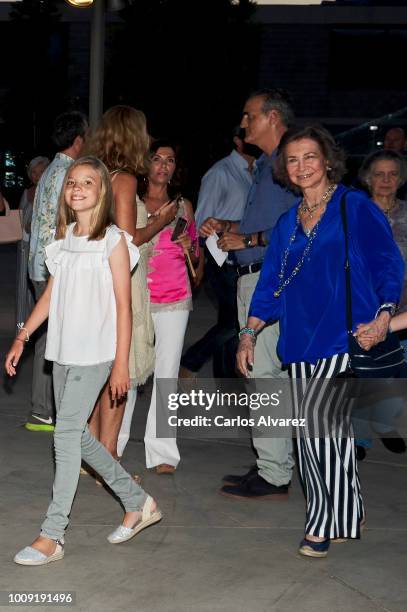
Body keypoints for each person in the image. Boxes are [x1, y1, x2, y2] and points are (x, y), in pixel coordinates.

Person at [236, 125, 404, 557]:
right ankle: (349, 509)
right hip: (298, 339)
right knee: (326, 429)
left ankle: (321, 522)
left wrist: (386, 313)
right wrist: (249, 332)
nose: (301, 166)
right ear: (285, 170)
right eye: (292, 160)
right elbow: (270, 282)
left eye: (309, 157)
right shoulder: (287, 222)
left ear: (327, 160)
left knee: (315, 427)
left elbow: (387, 262)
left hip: (344, 336)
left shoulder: (354, 206)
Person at [5, 156, 162, 566]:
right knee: (75, 435)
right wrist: (22, 336)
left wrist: (122, 364)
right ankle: (138, 501)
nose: (77, 188)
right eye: (72, 182)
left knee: (65, 437)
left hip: (97, 352)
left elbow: (124, 308)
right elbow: (50, 296)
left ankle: (53, 534)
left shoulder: (113, 242)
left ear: (102, 192)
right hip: (61, 351)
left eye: (87, 182)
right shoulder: (65, 240)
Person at [200, 88, 297, 500]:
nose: (244, 123)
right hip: (254, 277)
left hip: (273, 280)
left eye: (249, 115)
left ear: (272, 117)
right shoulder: (265, 167)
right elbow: (268, 221)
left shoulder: (293, 163)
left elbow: (309, 224)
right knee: (263, 374)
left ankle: (276, 474)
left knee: (267, 374)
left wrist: (251, 237)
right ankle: (272, 467)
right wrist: (228, 225)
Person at [84, 106, 178, 464]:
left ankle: (91, 457)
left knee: (96, 372)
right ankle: (107, 457)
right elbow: (127, 240)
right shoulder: (123, 179)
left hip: (93, 284)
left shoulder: (91, 174)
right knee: (120, 371)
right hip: (121, 283)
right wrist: (162, 220)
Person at [140, 138, 199, 474]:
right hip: (137, 294)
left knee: (166, 373)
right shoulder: (130, 199)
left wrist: (191, 247)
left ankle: (162, 453)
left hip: (175, 295)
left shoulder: (183, 207)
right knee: (132, 370)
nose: (164, 165)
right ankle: (113, 444)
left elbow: (197, 262)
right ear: (146, 163)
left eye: (170, 160)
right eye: (157, 158)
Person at [27, 111, 88, 432]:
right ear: (79, 139)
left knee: (46, 338)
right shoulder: (71, 174)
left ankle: (42, 409)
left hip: (40, 263)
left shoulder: (50, 169)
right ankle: (51, 410)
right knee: (58, 340)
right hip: (56, 267)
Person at [180, 127, 255, 379]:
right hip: (220, 256)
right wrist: (199, 261)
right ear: (237, 140)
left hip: (246, 254)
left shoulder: (260, 171)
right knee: (234, 321)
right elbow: (201, 220)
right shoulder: (221, 172)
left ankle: (225, 379)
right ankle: (191, 361)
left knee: (232, 321)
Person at [352, 149, 407, 457]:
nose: (386, 180)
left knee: (398, 376)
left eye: (393, 174)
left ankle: (385, 422)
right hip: (366, 312)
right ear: (367, 179)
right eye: (379, 174)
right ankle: (360, 437)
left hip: (404, 312)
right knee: (367, 376)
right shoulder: (356, 214)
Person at [16, 156, 50, 325]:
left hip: (40, 246)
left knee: (38, 287)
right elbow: (20, 217)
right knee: (24, 286)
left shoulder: (48, 192)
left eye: (41, 172)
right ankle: (23, 325)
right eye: (34, 172)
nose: (37, 176)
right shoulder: (26, 192)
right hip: (25, 245)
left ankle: (36, 324)